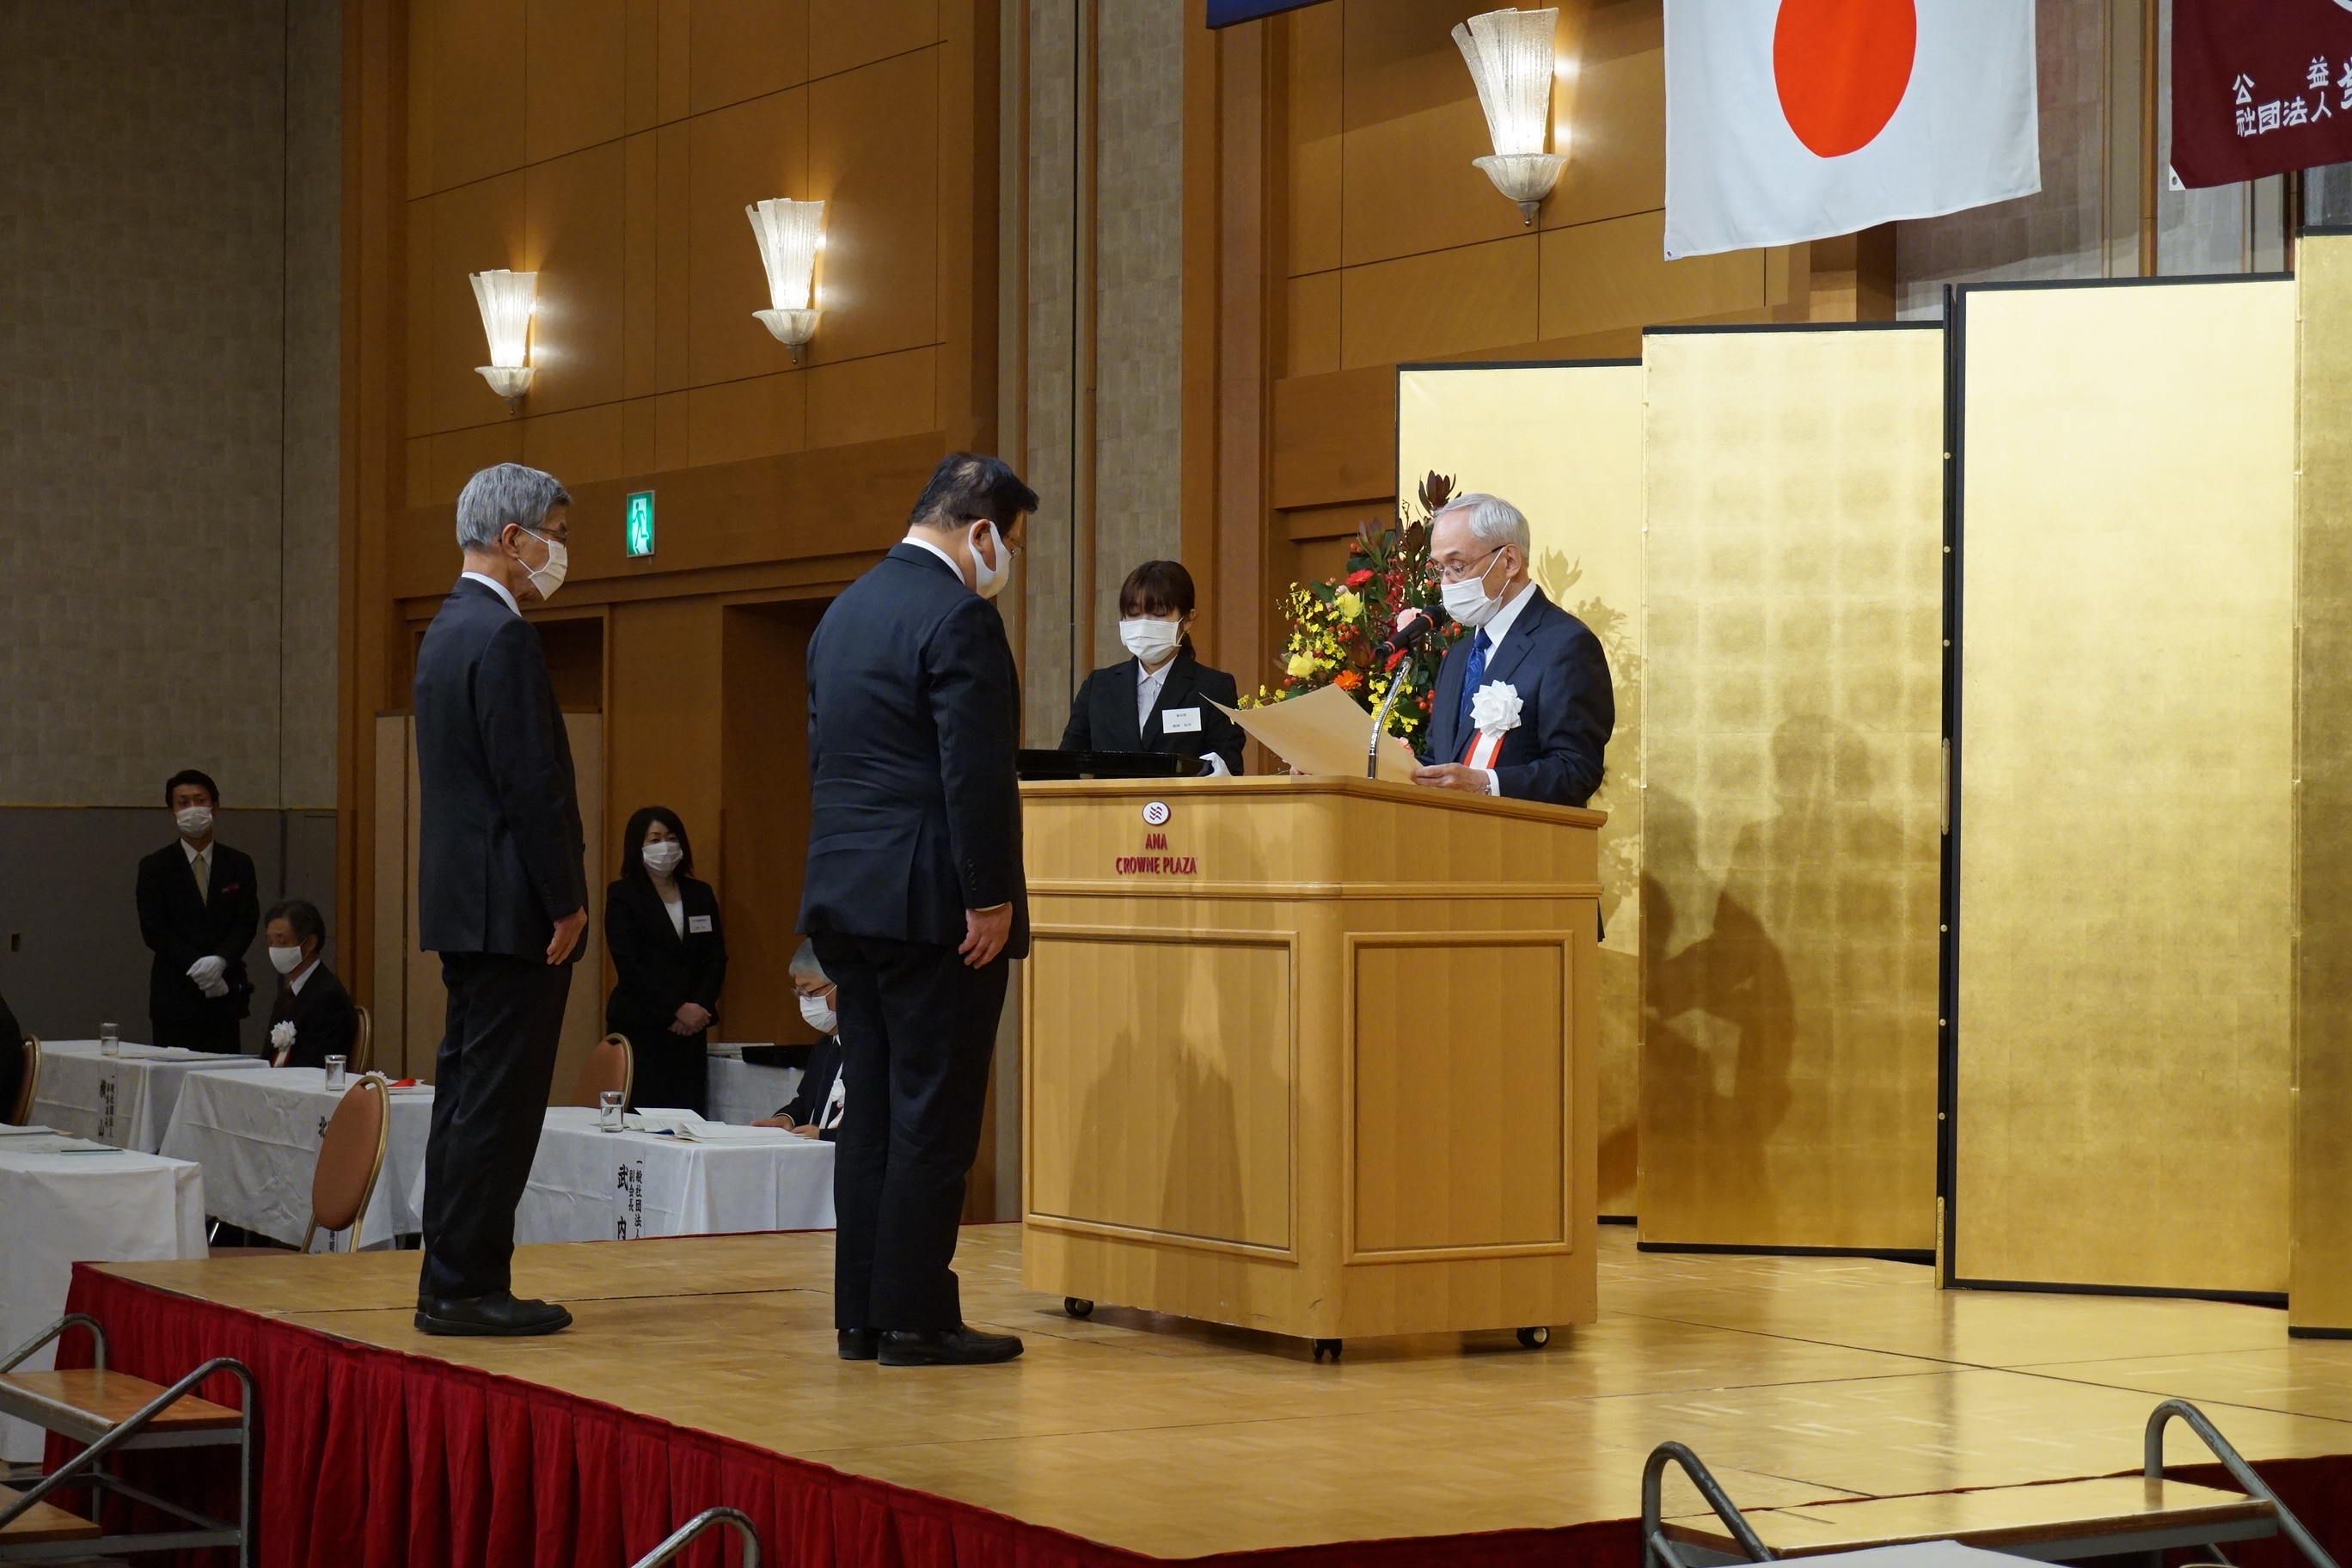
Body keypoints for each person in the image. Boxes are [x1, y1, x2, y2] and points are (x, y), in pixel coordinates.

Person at [801, 450, 1035, 1368]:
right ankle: (916, 1317)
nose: (1008, 560)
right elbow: (974, 771)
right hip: (935, 903)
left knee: (871, 1112)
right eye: (1009, 542)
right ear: (979, 532)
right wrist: (990, 896)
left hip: (845, 896)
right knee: (933, 1115)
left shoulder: (845, 611)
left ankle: (861, 1315)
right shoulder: (958, 617)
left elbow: (827, 758)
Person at [412, 462, 588, 1338]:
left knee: (466, 1098)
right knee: (501, 1106)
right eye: (556, 533)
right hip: (513, 906)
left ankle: (448, 1276)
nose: (562, 550)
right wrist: (566, 898)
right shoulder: (504, 636)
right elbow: (531, 785)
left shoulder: (445, 629)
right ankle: (468, 1285)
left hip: (464, 902)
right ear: (512, 537)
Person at [1411, 493, 1614, 808]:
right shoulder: (1461, 654)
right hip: (1450, 832)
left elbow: (1577, 770)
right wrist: (1402, 765)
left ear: (1509, 562)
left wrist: (1485, 784)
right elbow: (1444, 759)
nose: (1446, 583)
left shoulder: (1566, 645)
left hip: (1523, 835)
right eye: (1439, 569)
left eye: (1457, 566)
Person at [1058, 560, 1245, 775]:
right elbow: (1064, 766)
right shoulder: (1098, 686)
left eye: (1158, 614)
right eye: (1133, 614)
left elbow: (1229, 768)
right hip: (1112, 799)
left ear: (1187, 620)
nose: (1144, 623)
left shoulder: (1214, 687)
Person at [603, 806, 727, 1115]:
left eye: (671, 838)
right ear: (638, 846)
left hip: (691, 1028)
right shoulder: (623, 894)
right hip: (642, 1024)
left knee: (687, 1116)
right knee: (640, 1117)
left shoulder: (700, 893)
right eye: (655, 839)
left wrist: (698, 1007)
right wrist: (675, 1008)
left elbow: (716, 956)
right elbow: (629, 963)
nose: (665, 847)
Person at [135, 770, 260, 1053]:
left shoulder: (239, 863)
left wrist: (220, 961)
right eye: (183, 802)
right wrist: (200, 966)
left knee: (224, 1073)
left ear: (215, 806)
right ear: (172, 813)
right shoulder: (155, 867)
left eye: (200, 800)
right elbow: (154, 930)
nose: (193, 808)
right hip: (175, 995)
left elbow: (246, 921)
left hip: (225, 994)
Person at [756, 940, 844, 1140]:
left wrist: (822, 1135)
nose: (805, 1002)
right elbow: (806, 1102)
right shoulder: (823, 1047)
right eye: (800, 994)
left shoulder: (875, 1051)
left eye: (810, 993)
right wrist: (787, 1118)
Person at [262, 898, 358, 1069]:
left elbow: (315, 1065)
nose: (275, 949)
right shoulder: (287, 996)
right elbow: (267, 1057)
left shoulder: (329, 998)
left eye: (282, 942)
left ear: (310, 943)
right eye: (270, 942)